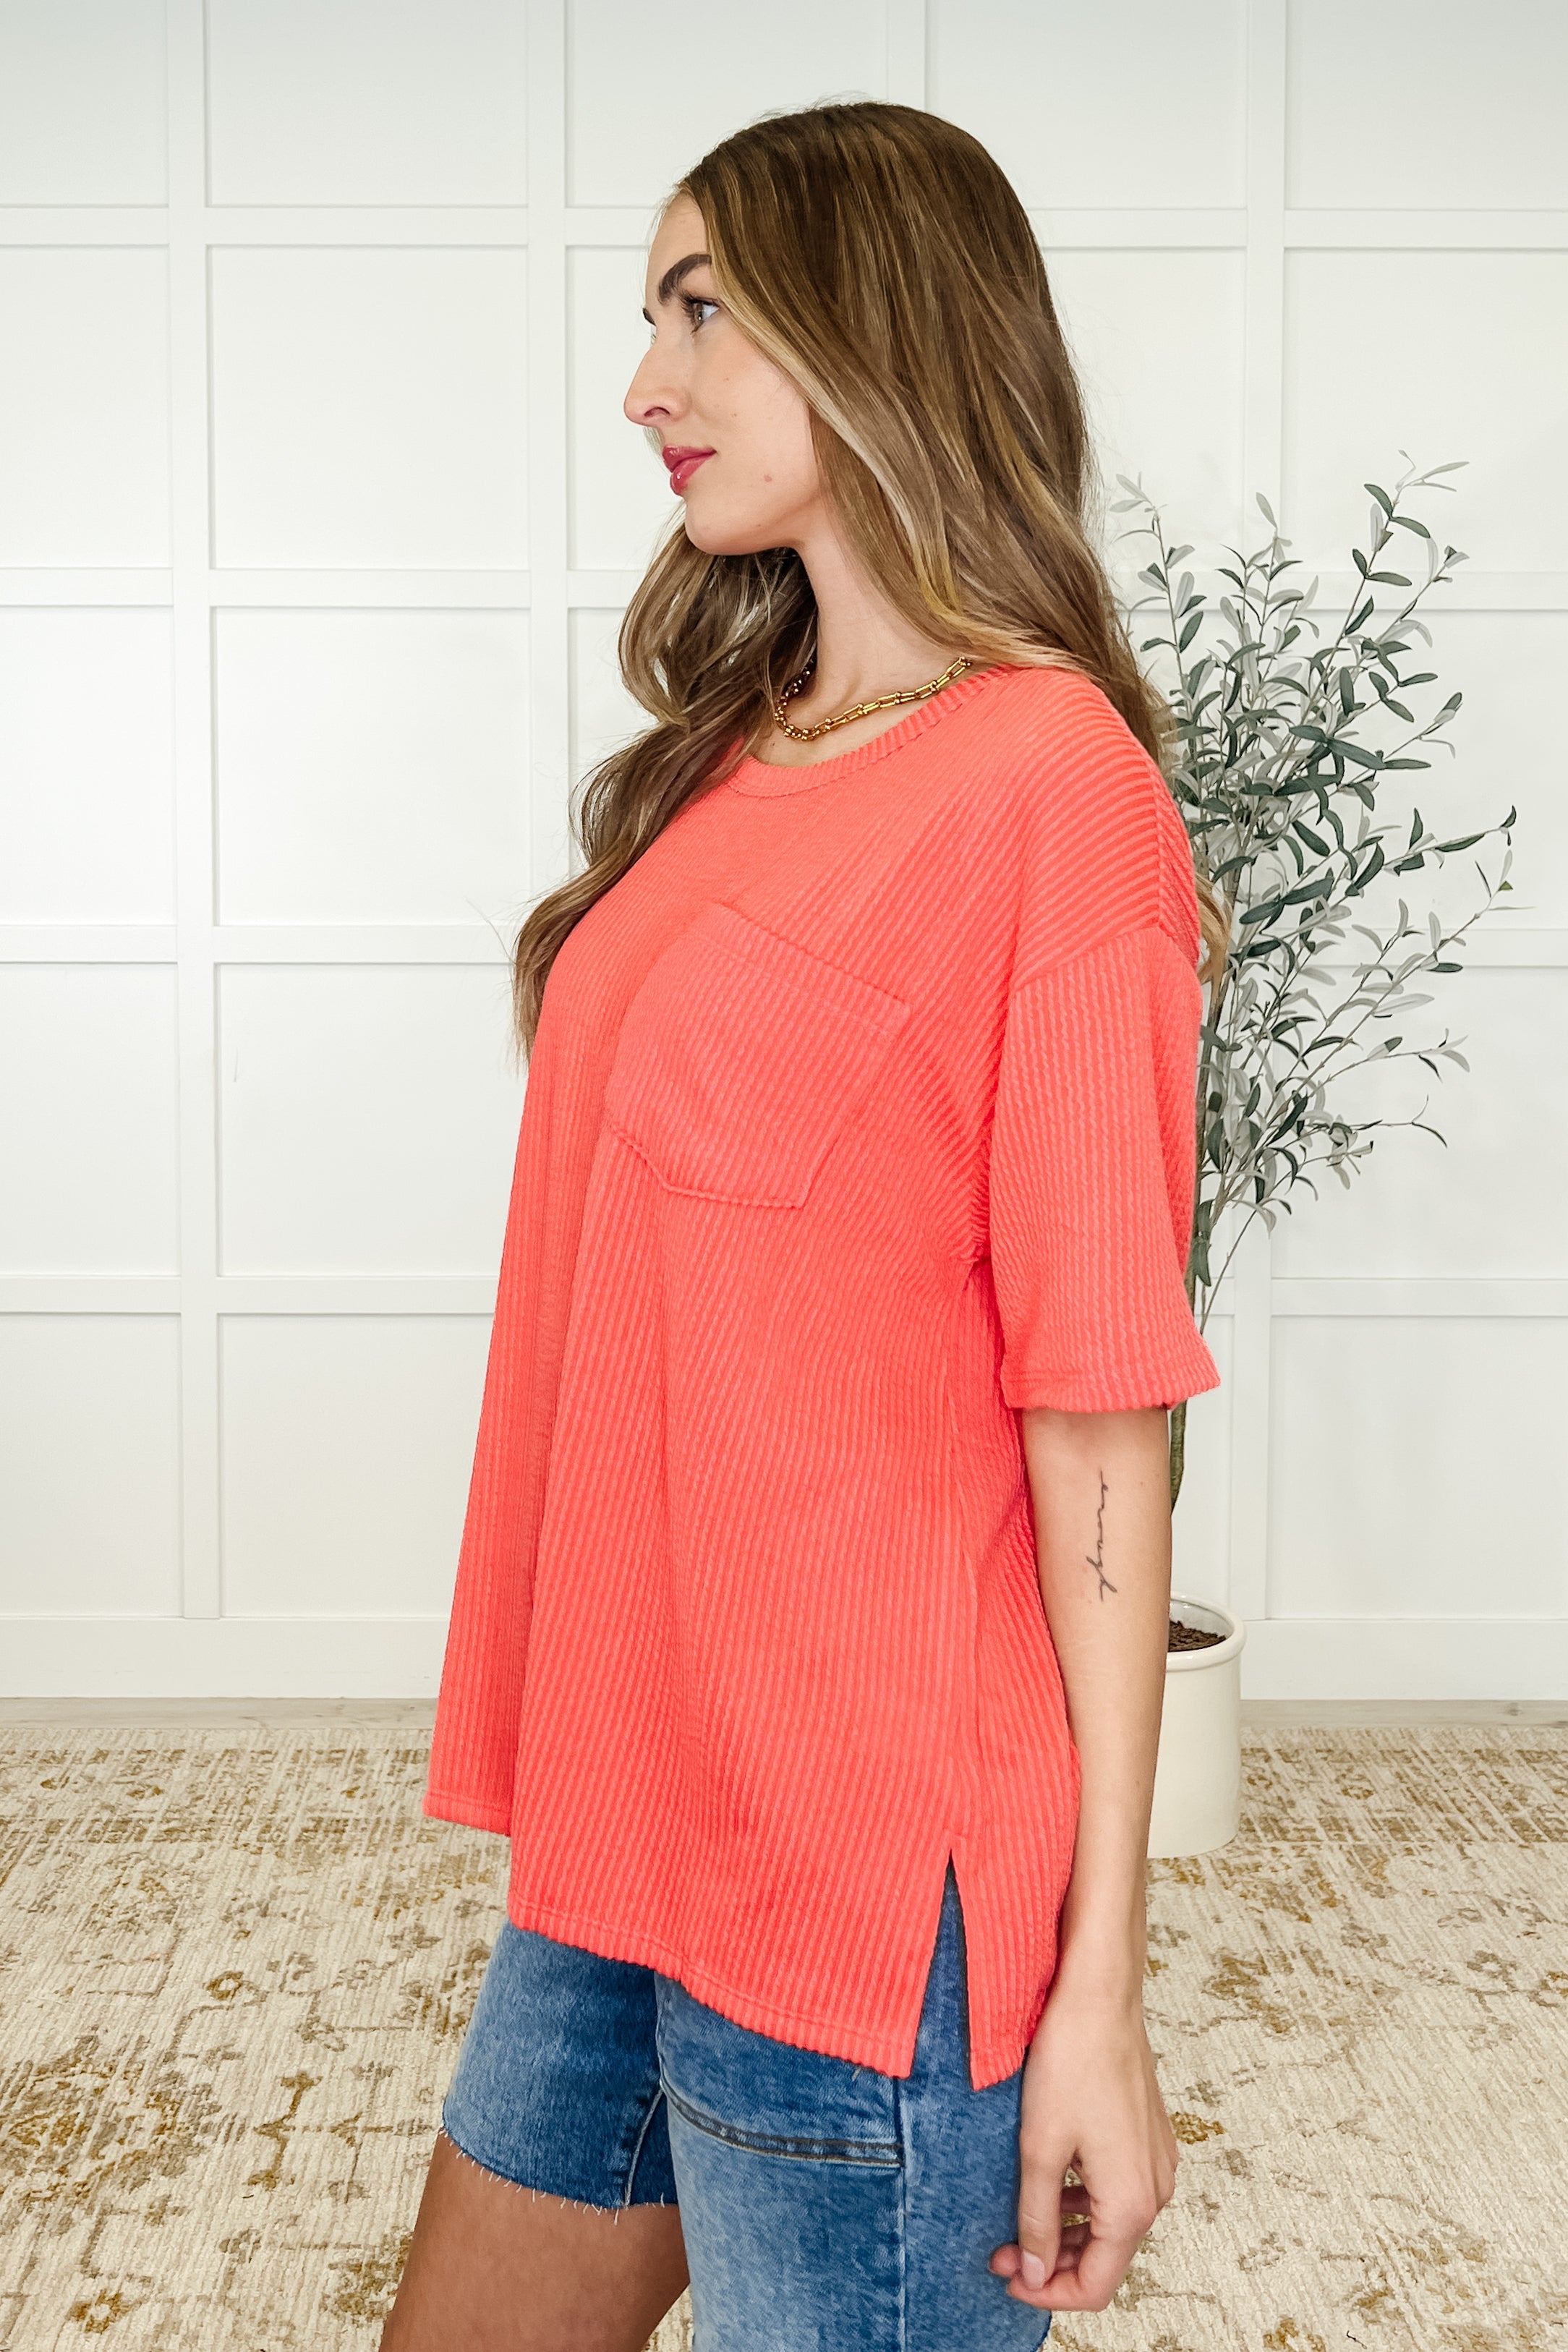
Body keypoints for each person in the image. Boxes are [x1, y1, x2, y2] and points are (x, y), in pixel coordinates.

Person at [381, 98, 1224, 2352]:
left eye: (700, 313)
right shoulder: (747, 747)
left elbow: (1102, 1413)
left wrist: (1098, 1991)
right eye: (649, 319)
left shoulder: (1055, 791)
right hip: (635, 1818)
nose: (643, 385)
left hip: (867, 1883)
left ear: (875, 326)